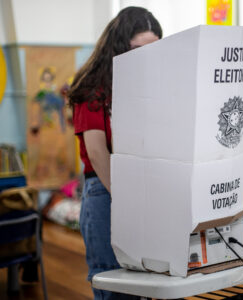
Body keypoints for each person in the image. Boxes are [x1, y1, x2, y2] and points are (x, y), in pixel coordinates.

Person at [68, 7, 162, 299]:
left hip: (144, 188)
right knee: (114, 287)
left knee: (151, 286)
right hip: (106, 193)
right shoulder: (93, 87)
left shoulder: (151, 85)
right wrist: (129, 202)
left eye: (153, 51)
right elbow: (97, 154)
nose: (145, 59)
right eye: (137, 50)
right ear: (119, 46)